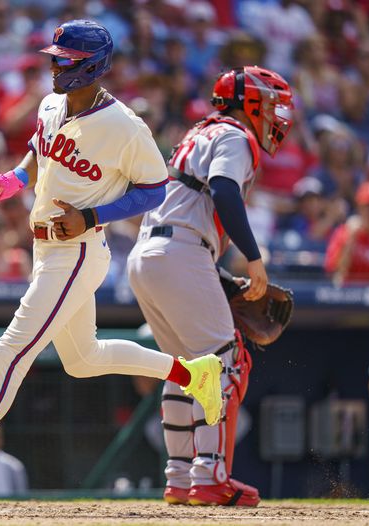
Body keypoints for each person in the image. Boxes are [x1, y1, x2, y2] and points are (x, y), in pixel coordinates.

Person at [0, 20, 224, 498]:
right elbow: (38, 154)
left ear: (93, 66)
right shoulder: (50, 104)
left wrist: (93, 216)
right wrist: (11, 181)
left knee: (8, 354)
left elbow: (154, 188)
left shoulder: (125, 126)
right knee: (83, 360)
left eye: (64, 60)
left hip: (78, 251)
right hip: (47, 247)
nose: (53, 66)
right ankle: (194, 373)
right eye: (54, 57)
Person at [127, 66, 294, 507]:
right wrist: (254, 260)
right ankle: (211, 476)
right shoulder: (236, 136)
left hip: (150, 254)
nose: (278, 115)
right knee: (227, 363)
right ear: (252, 102)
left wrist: (219, 277)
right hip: (179, 252)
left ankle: (180, 478)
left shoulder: (196, 134)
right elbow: (223, 190)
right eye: (272, 104)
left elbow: (187, 209)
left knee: (184, 370)